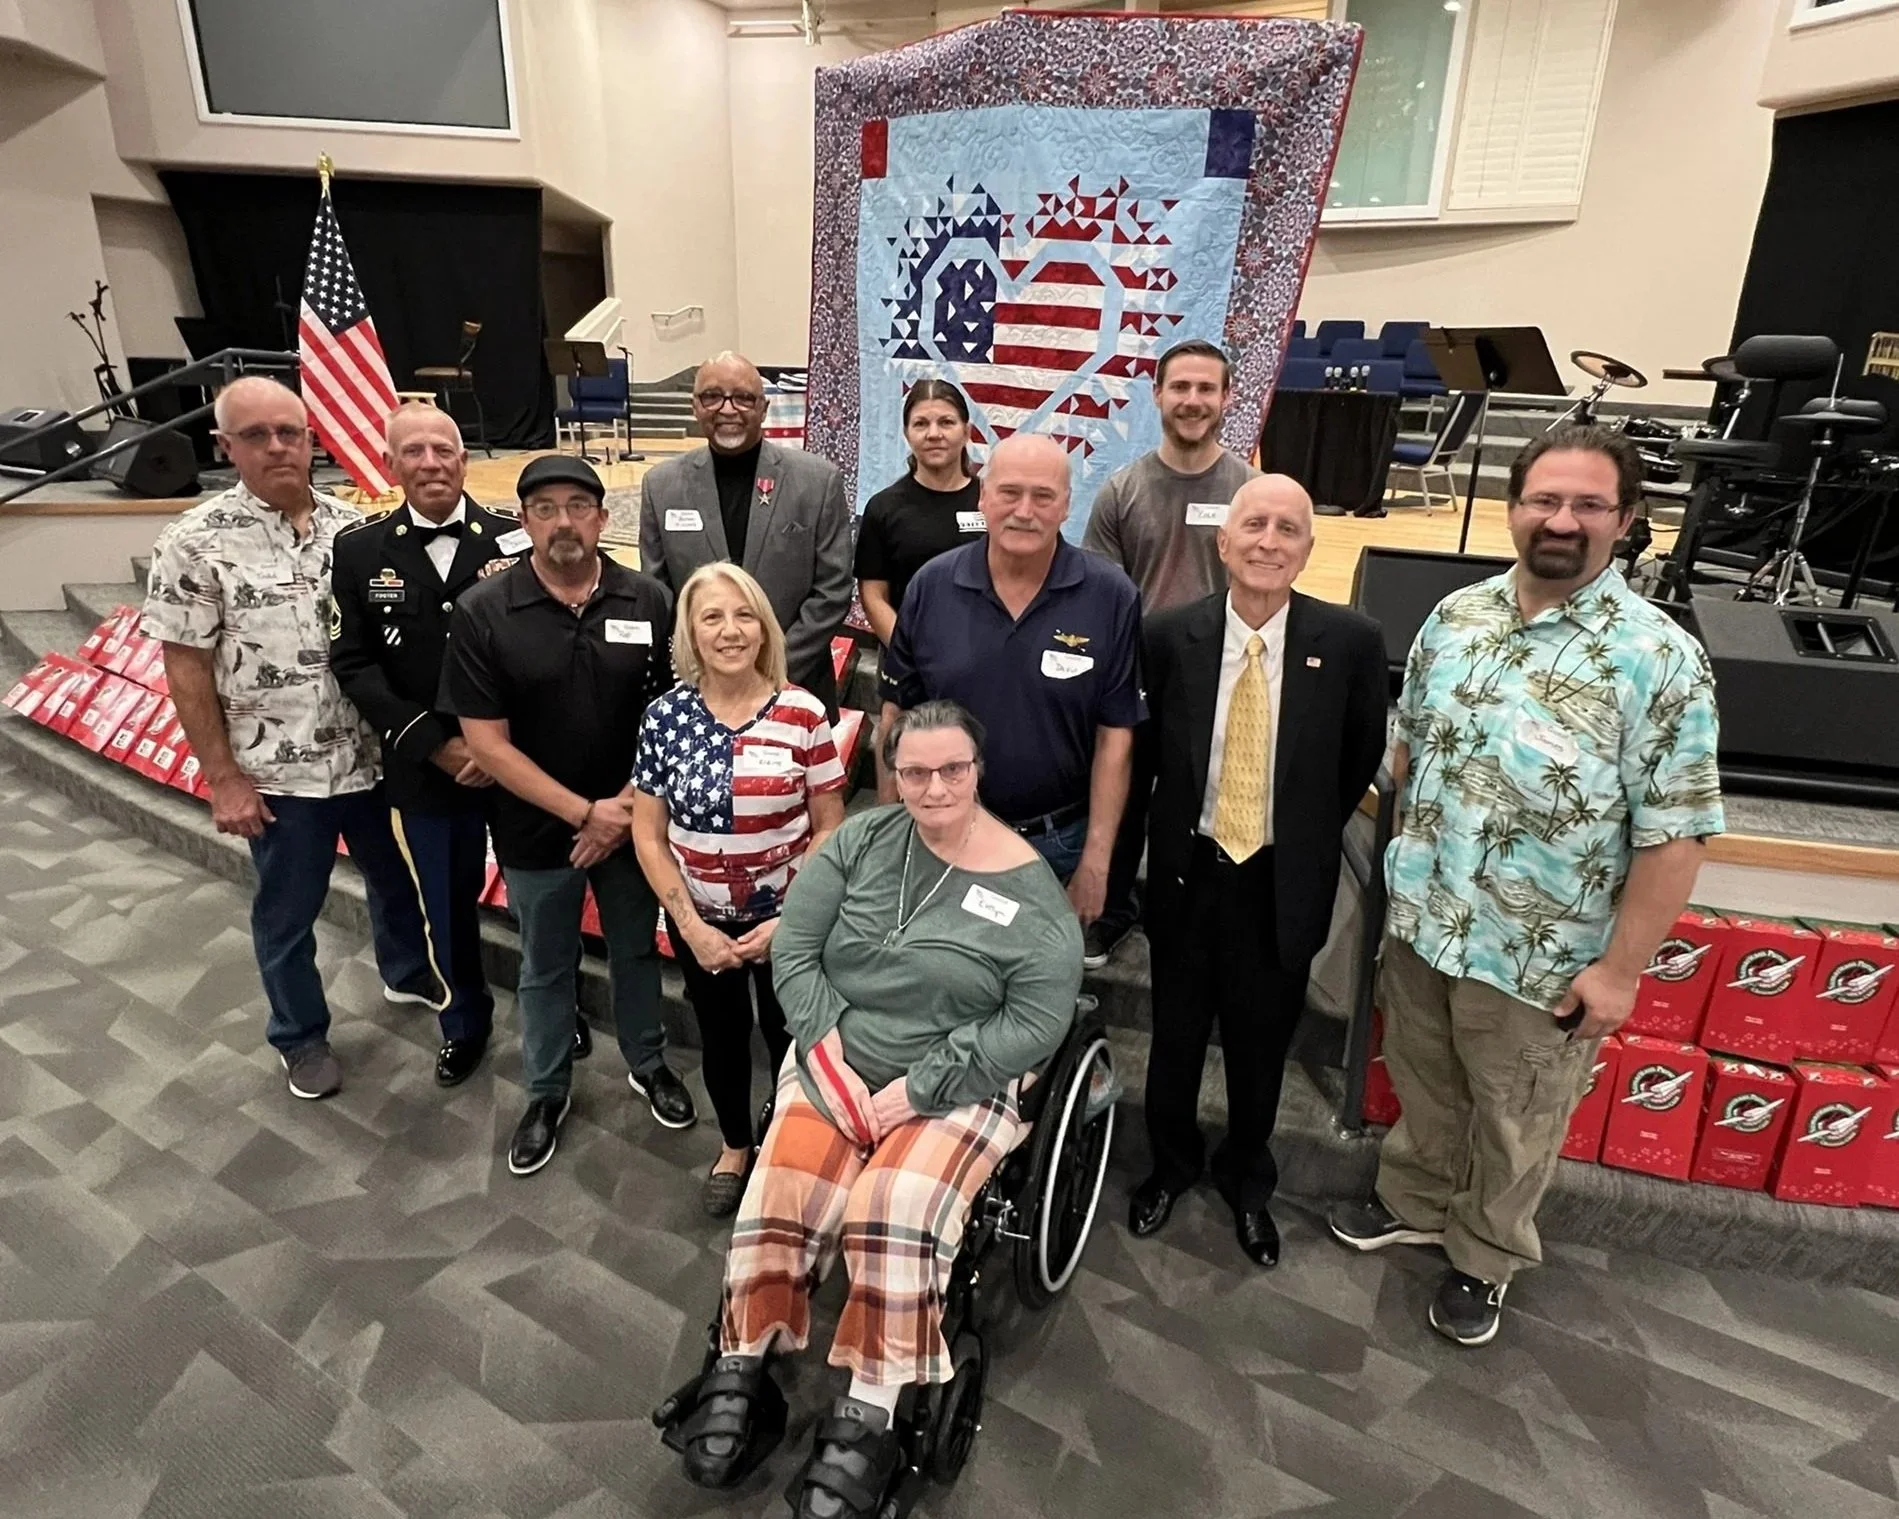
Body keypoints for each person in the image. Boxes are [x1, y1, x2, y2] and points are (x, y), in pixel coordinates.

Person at [1328, 425, 1724, 1348]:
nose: (1562, 520)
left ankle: (1483, 1256)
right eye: (1545, 499)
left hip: (1540, 951)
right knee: (1424, 1079)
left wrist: (1619, 973)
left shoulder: (1657, 658)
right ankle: (1418, 1201)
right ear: (1513, 509)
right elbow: (1407, 752)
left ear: (1626, 521)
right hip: (1426, 922)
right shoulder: (1454, 617)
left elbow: (1676, 836)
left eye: (1588, 504)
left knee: (1515, 1118)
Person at [666, 701, 1082, 1516]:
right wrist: (826, 1052)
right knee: (779, 1182)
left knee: (892, 1208)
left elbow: (1032, 1023)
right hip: (834, 1062)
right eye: (914, 771)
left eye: (951, 769)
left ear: (977, 769)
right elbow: (795, 949)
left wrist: (919, 1088)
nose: (932, 788)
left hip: (954, 1084)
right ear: (892, 772)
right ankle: (743, 1355)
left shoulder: (1032, 898)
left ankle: (874, 1406)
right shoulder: (858, 839)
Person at [141, 375, 434, 1101]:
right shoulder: (192, 543)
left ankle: (405, 973)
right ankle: (299, 1035)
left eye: (290, 433)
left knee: (394, 879)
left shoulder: (357, 531)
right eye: (256, 435)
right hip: (278, 774)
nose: (277, 447)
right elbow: (186, 667)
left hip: (369, 756)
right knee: (287, 909)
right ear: (225, 446)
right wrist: (222, 776)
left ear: (312, 440)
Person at [1127, 475, 1386, 1268]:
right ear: (1223, 542)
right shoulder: (1170, 633)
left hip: (1278, 880)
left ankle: (1246, 1182)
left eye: (1288, 528)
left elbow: (1357, 758)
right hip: (1187, 873)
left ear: (1309, 548)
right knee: (1173, 1040)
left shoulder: (1349, 641)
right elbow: (1145, 758)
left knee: (1257, 1046)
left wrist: (1297, 832)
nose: (1270, 540)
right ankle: (1170, 1165)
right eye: (1255, 525)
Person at [442, 454, 695, 1177]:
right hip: (533, 828)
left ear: (600, 516)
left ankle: (648, 1063)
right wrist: (586, 812)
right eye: (545, 508)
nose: (562, 522)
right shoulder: (484, 609)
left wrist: (620, 811)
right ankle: (547, 1091)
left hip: (633, 817)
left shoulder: (647, 599)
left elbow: (670, 715)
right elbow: (486, 744)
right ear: (523, 521)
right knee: (544, 965)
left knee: (635, 951)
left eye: (577, 506)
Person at [632, 562, 848, 1216]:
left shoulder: (803, 712)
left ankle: (792, 1144)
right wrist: (692, 927)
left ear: (764, 627)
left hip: (790, 922)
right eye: (712, 617)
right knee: (720, 1037)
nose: (730, 630)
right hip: (700, 920)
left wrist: (789, 922)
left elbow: (828, 827)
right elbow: (648, 834)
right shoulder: (663, 717)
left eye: (743, 614)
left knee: (793, 1036)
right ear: (690, 635)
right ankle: (733, 1144)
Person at [328, 403, 521, 1087]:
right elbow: (353, 662)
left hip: (519, 762)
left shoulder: (513, 537)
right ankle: (463, 1019)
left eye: (444, 449)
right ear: (390, 464)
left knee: (534, 897)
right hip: (427, 764)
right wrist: (434, 745)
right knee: (446, 902)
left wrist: (497, 746)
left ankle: (552, 1004)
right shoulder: (358, 549)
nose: (432, 462)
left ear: (465, 459)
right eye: (414, 451)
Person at [879, 433, 1144, 927]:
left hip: (1059, 843)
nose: (1025, 510)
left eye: (1043, 496)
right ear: (983, 495)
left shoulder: (1111, 596)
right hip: (945, 833)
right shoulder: (931, 586)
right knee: (948, 981)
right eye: (1010, 492)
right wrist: (893, 834)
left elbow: (1116, 736)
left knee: (1041, 990)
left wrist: (1096, 859)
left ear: (1067, 505)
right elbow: (895, 718)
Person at [1081, 337, 1260, 969]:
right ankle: (1108, 913)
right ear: (1157, 394)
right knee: (1125, 803)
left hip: (1226, 683)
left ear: (1226, 398)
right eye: (1180, 387)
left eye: (1206, 389)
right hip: (1138, 679)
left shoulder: (1252, 492)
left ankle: (1186, 923)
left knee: (1203, 808)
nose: (1192, 400)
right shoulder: (1121, 491)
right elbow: (1102, 599)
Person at [639, 351, 854, 712]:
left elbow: (833, 589)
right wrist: (708, 663)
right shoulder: (660, 486)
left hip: (796, 686)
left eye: (743, 397)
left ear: (764, 408)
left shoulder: (817, 481)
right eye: (712, 396)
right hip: (702, 690)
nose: (727, 409)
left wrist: (772, 666)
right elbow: (659, 592)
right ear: (695, 405)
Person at [854, 380, 985, 649]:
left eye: (946, 422)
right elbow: (873, 596)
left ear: (966, 431)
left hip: (985, 658)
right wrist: (908, 652)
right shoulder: (883, 508)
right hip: (907, 662)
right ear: (906, 433)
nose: (933, 434)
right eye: (921, 424)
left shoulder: (993, 502)